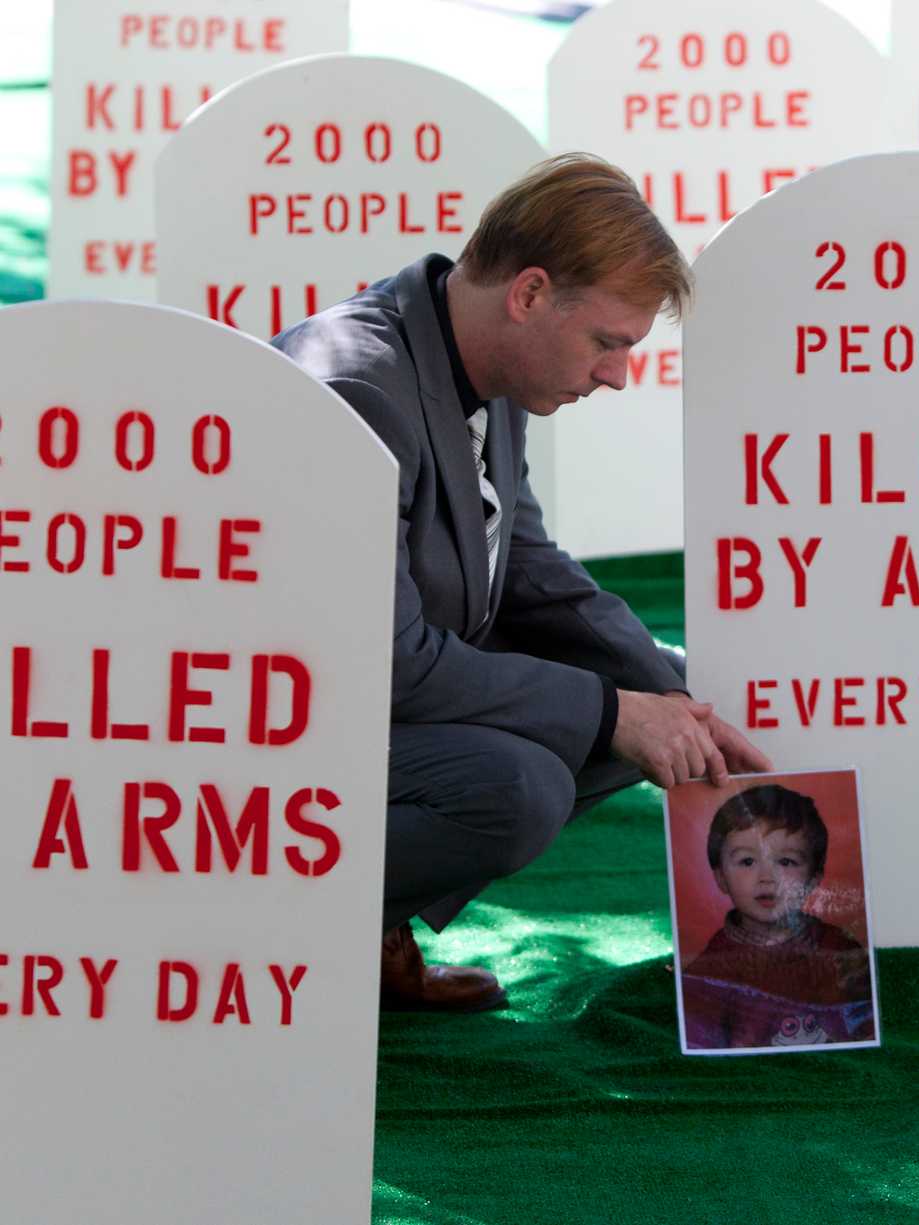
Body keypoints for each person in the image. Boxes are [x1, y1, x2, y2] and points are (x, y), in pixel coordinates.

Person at [273, 153, 771, 1012]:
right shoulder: (358, 387)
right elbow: (382, 661)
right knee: (517, 788)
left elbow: (530, 568)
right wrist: (617, 712)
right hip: (284, 730)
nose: (617, 375)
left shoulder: (482, 364)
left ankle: (371, 919)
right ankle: (270, 934)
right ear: (530, 293)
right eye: (608, 343)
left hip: (382, 694)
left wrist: (674, 692)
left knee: (673, 698)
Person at [681, 785, 875, 1050]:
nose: (767, 878)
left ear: (813, 879)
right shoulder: (708, 972)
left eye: (786, 862)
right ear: (720, 877)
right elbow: (701, 1048)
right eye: (748, 862)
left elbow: (867, 1029)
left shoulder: (840, 949)